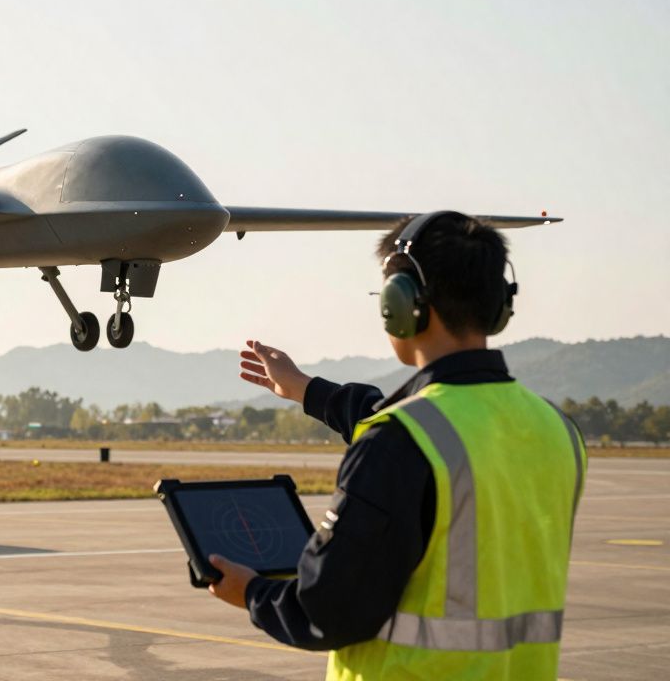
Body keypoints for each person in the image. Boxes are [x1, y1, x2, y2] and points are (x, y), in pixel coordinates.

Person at [207, 211, 586, 679]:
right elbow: (425, 426)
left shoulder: (401, 441)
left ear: (402, 303)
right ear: (499, 303)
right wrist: (307, 389)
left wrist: (252, 592)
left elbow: (326, 611)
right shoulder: (556, 429)